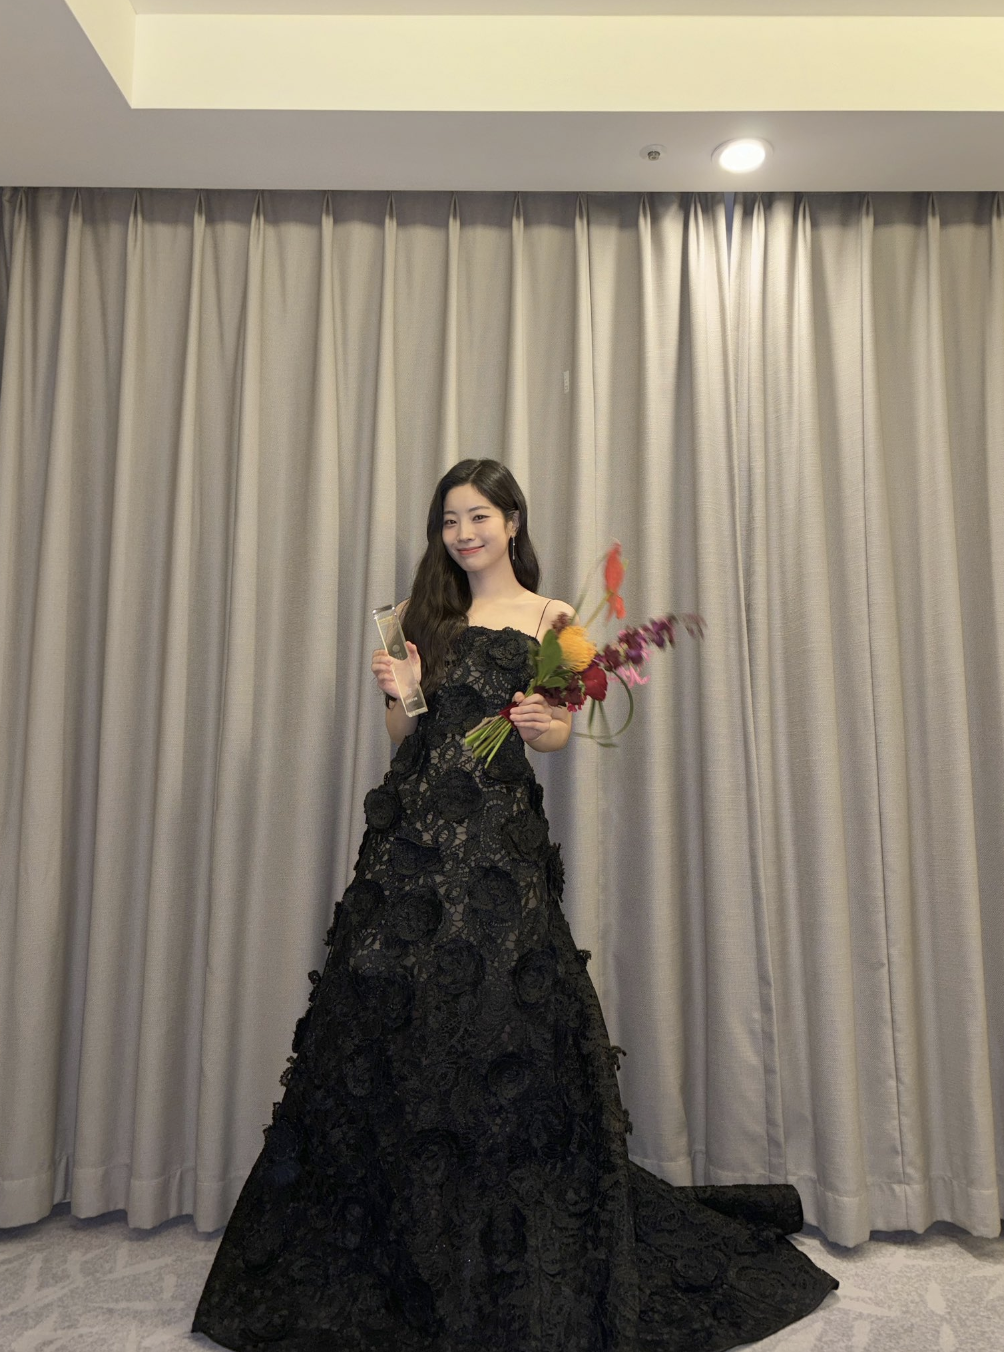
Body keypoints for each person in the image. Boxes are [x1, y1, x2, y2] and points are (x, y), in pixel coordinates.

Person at [192, 459, 837, 1351]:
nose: (463, 533)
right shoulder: (428, 619)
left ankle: (502, 1230)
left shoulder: (553, 619)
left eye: (478, 517)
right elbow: (403, 739)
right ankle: (406, 1229)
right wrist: (400, 689)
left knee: (500, 1020)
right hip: (413, 845)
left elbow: (561, 732)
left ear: (511, 522)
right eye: (450, 520)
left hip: (497, 848)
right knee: (399, 1016)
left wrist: (546, 727)